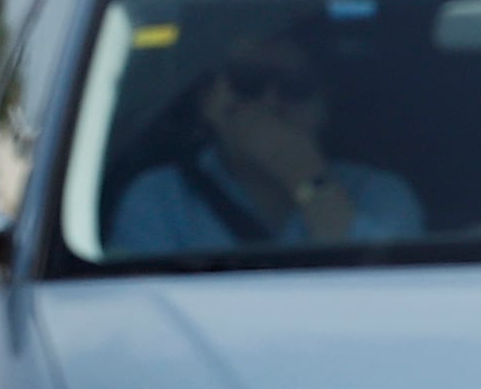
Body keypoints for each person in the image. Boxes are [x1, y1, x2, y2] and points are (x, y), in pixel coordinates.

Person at [106, 20, 423, 255]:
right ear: (209, 102)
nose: (270, 103)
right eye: (248, 82)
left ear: (324, 107)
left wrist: (307, 179)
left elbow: (380, 289)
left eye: (295, 86)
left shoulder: (380, 196)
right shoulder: (160, 198)